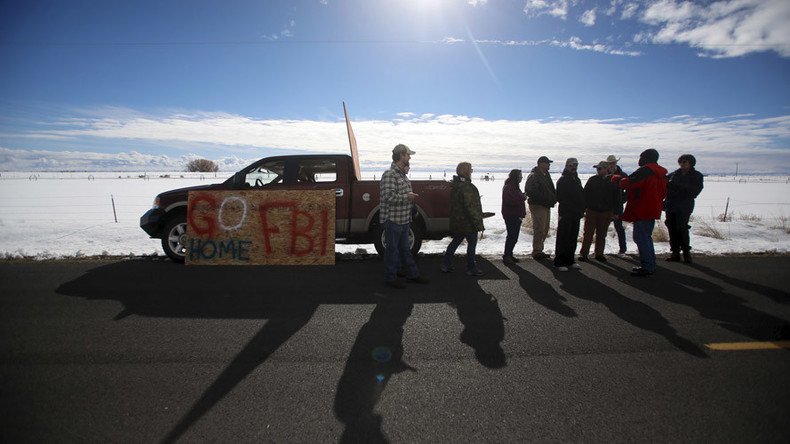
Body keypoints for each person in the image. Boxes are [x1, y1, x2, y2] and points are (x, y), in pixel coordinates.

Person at [380, 144, 429, 288]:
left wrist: (411, 205)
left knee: (405, 249)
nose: (409, 157)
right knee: (392, 251)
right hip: (393, 220)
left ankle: (412, 275)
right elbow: (388, 197)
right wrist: (407, 197)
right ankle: (390, 278)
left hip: (403, 220)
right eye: (408, 155)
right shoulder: (390, 174)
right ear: (401, 155)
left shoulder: (402, 175)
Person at [613, 149, 667, 277]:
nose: (639, 159)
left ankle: (648, 266)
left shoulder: (645, 171)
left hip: (642, 208)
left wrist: (616, 179)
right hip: (653, 208)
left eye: (641, 157)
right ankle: (650, 264)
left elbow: (628, 183)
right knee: (645, 236)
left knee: (641, 237)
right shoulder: (661, 173)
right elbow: (664, 192)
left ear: (646, 158)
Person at [442, 162, 485, 276]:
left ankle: (446, 264)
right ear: (466, 171)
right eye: (470, 169)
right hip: (468, 223)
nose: (471, 171)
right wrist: (478, 223)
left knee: (455, 242)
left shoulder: (455, 185)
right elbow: (471, 207)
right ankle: (471, 268)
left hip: (458, 221)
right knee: (471, 244)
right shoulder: (467, 187)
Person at [664, 154, 704, 263]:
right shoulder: (673, 175)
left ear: (691, 163)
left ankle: (686, 252)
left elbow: (694, 191)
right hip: (671, 205)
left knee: (682, 228)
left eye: (685, 162)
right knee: (671, 228)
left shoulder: (697, 176)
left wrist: (678, 187)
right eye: (680, 162)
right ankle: (675, 253)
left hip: (684, 206)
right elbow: (665, 188)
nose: (682, 164)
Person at [579, 161, 619, 262]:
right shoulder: (592, 180)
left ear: (606, 169)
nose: (598, 170)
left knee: (602, 234)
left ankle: (599, 253)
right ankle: (584, 253)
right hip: (592, 211)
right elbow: (585, 195)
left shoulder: (613, 181)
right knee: (588, 233)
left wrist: (616, 212)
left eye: (600, 168)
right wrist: (583, 209)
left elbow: (617, 197)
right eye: (597, 168)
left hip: (606, 211)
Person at [553, 158, 585, 271]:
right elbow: (560, 197)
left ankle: (570, 260)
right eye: (572, 165)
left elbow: (581, 195)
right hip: (566, 213)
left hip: (576, 213)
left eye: (576, 165)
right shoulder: (562, 180)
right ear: (567, 165)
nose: (574, 167)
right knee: (563, 237)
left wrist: (581, 209)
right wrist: (572, 207)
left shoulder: (577, 179)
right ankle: (559, 261)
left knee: (572, 237)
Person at [525, 156, 557, 260]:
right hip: (538, 205)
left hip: (546, 205)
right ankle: (537, 251)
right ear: (541, 164)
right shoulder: (533, 176)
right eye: (547, 163)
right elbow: (530, 191)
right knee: (539, 228)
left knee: (544, 229)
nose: (549, 165)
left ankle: (539, 249)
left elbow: (551, 189)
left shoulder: (546, 175)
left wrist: (553, 198)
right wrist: (544, 199)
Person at [501, 169, 526, 264]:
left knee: (513, 236)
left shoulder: (514, 186)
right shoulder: (509, 187)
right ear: (516, 177)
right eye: (520, 176)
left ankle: (509, 254)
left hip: (514, 214)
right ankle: (507, 256)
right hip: (511, 215)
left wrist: (522, 196)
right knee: (512, 236)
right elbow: (510, 202)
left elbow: (514, 199)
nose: (521, 177)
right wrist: (522, 198)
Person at [606, 155, 628, 255]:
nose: (611, 165)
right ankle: (600, 251)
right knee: (602, 229)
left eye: (613, 163)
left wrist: (621, 200)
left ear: (616, 163)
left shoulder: (623, 175)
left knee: (619, 228)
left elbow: (628, 191)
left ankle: (623, 249)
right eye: (609, 163)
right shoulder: (605, 175)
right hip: (606, 206)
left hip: (618, 206)